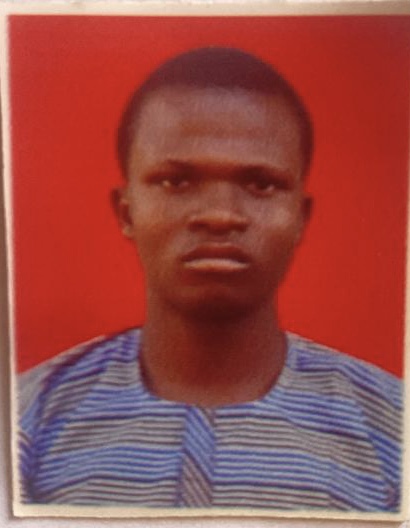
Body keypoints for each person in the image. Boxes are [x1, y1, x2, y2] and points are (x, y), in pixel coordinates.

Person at [18, 47, 402, 511]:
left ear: (300, 217)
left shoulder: (391, 428)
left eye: (260, 184)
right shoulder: (29, 418)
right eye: (175, 182)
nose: (220, 215)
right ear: (126, 212)